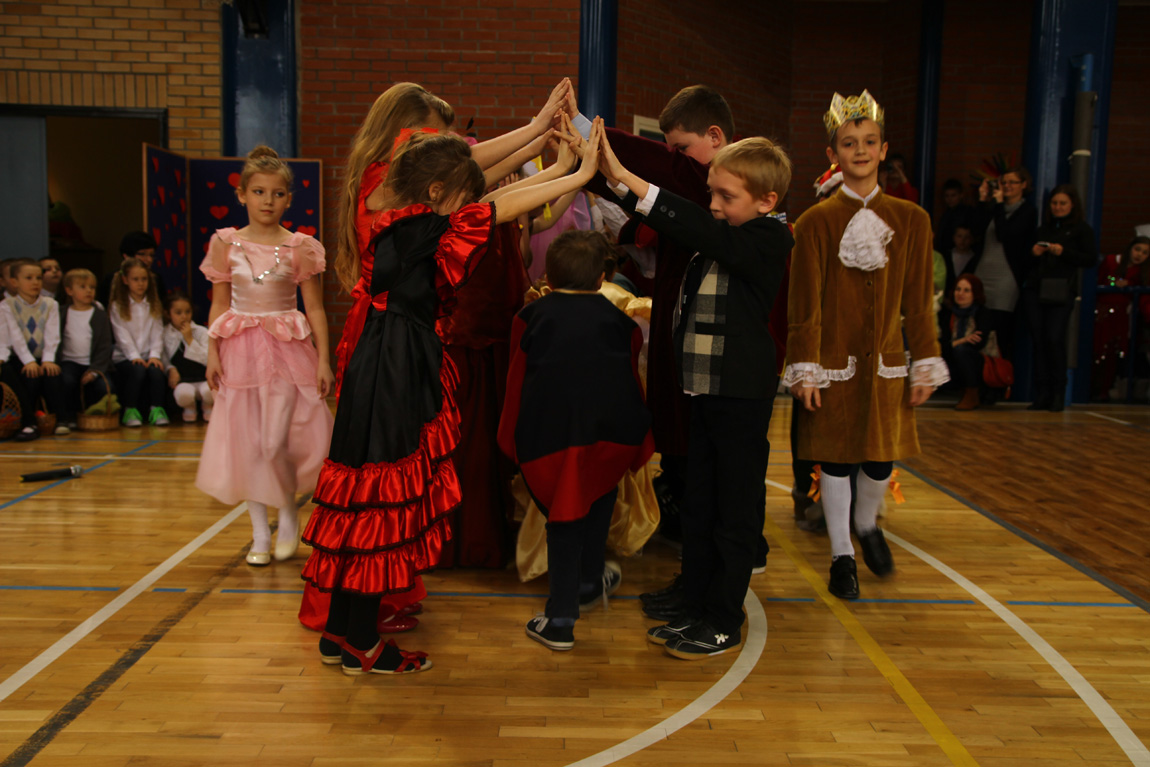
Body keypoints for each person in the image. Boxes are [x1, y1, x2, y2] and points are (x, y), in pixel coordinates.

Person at [301, 121, 607, 675]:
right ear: (438, 192)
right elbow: (498, 208)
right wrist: (576, 173)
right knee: (383, 497)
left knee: (361, 494)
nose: (471, 206)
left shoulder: (399, 219)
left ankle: (341, 630)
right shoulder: (422, 227)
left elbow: (493, 201)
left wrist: (563, 169)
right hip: (395, 368)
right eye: (462, 197)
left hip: (376, 362)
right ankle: (363, 642)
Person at [598, 133, 793, 659]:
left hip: (740, 396)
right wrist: (611, 177)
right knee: (702, 501)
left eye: (727, 196)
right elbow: (684, 225)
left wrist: (629, 175)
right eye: (712, 194)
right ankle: (698, 601)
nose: (715, 205)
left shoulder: (769, 238)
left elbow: (694, 224)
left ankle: (724, 618)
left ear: (767, 201)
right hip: (705, 390)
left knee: (733, 510)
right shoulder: (724, 233)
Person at [785, 90, 947, 600]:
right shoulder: (815, 222)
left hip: (887, 364)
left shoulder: (913, 220)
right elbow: (804, 303)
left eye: (869, 142)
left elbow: (919, 302)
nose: (860, 150)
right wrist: (805, 366)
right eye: (849, 143)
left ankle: (866, 524)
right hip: (832, 364)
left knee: (879, 459)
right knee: (834, 459)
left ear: (883, 150)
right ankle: (842, 555)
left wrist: (925, 362)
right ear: (832, 153)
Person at [499, 229, 653, 651]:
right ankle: (587, 580)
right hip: (611, 438)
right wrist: (641, 440)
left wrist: (510, 440)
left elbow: (516, 383)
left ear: (548, 276)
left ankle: (561, 618)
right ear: (602, 278)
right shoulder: (623, 323)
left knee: (563, 521)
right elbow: (632, 382)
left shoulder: (529, 317)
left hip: (550, 439)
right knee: (598, 502)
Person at [196, 145, 335, 567]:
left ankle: (288, 508)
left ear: (288, 199)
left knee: (276, 442)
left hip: (287, 350)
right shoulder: (225, 243)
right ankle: (260, 532)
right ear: (242, 195)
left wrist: (323, 359)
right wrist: (212, 353)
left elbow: (315, 308)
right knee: (251, 444)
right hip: (239, 351)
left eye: (277, 194)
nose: (267, 201)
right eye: (258, 192)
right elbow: (219, 304)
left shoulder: (299, 247)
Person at [1022, 184, 1097, 412]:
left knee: (1054, 338)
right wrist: (1034, 252)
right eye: (1054, 203)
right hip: (1036, 288)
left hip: (1061, 290)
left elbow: (1090, 259)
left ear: (1072, 205)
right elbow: (1026, 261)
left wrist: (1064, 252)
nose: (1058, 207)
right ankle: (1042, 393)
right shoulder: (1043, 229)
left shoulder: (1081, 230)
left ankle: (1058, 392)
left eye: (1062, 203)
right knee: (1039, 340)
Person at [969, 168, 1038, 361]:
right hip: (983, 273)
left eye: (1012, 182)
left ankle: (1000, 375)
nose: (1007, 186)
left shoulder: (1027, 211)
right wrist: (983, 200)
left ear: (1023, 185)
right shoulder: (994, 207)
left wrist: (999, 205)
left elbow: (1005, 235)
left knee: (1001, 331)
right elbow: (975, 231)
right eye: (1003, 182)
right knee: (979, 330)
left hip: (1006, 278)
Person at [1, 260, 66, 439]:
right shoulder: (7, 306)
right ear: (14, 282)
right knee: (28, 376)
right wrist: (28, 361)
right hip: (20, 357)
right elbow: (15, 337)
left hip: (42, 356)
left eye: (38, 278)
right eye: (28, 278)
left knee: (52, 372)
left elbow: (52, 335)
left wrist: (48, 359)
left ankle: (61, 420)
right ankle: (28, 423)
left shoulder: (50, 304)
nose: (35, 282)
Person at [109, 257, 168, 427]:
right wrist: (134, 356)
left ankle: (156, 410)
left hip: (148, 354)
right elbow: (122, 335)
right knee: (138, 370)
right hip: (125, 356)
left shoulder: (153, 304)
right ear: (125, 280)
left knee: (156, 371)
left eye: (144, 279)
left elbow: (157, 332)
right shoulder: (117, 306)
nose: (141, 284)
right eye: (135, 279)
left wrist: (155, 355)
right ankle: (130, 410)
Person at [57, 268, 114, 429]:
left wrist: (94, 370)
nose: (89, 291)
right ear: (69, 291)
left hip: (94, 363)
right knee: (67, 381)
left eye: (92, 287)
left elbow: (105, 346)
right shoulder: (61, 313)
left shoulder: (100, 315)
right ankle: (70, 416)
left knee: (104, 387)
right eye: (82, 287)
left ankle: (94, 415)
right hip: (69, 361)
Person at [1093, 236, 1150, 400]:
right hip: (1102, 313)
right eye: (1137, 250)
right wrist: (1114, 283)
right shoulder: (1111, 261)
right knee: (1097, 350)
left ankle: (1105, 390)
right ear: (1130, 248)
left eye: (1145, 253)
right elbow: (1099, 280)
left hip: (1124, 316)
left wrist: (1129, 285)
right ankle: (1092, 388)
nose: (1139, 255)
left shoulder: (1142, 272)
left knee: (1115, 352)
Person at [162, 293, 212, 423]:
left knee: (209, 392)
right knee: (184, 394)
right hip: (183, 380)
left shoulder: (201, 332)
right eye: (178, 313)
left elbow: (208, 359)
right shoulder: (164, 333)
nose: (184, 316)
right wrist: (170, 369)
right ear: (168, 314)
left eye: (187, 312)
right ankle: (190, 408)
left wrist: (189, 339)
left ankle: (208, 406)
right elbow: (163, 357)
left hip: (203, 378)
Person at [948, 275, 994, 410]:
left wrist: (956, 344)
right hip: (953, 357)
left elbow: (979, 343)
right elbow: (942, 344)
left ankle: (972, 393)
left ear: (975, 293)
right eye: (958, 289)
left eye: (966, 290)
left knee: (962, 351)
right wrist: (963, 340)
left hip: (980, 360)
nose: (960, 294)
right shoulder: (949, 314)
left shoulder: (982, 313)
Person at [101, 231, 166, 308]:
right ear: (126, 256)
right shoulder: (111, 279)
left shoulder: (156, 278)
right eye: (142, 254)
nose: (149, 259)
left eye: (151, 255)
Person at [934, 178, 972, 253]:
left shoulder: (968, 213)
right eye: (947, 196)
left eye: (953, 195)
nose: (950, 199)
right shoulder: (946, 214)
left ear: (961, 195)